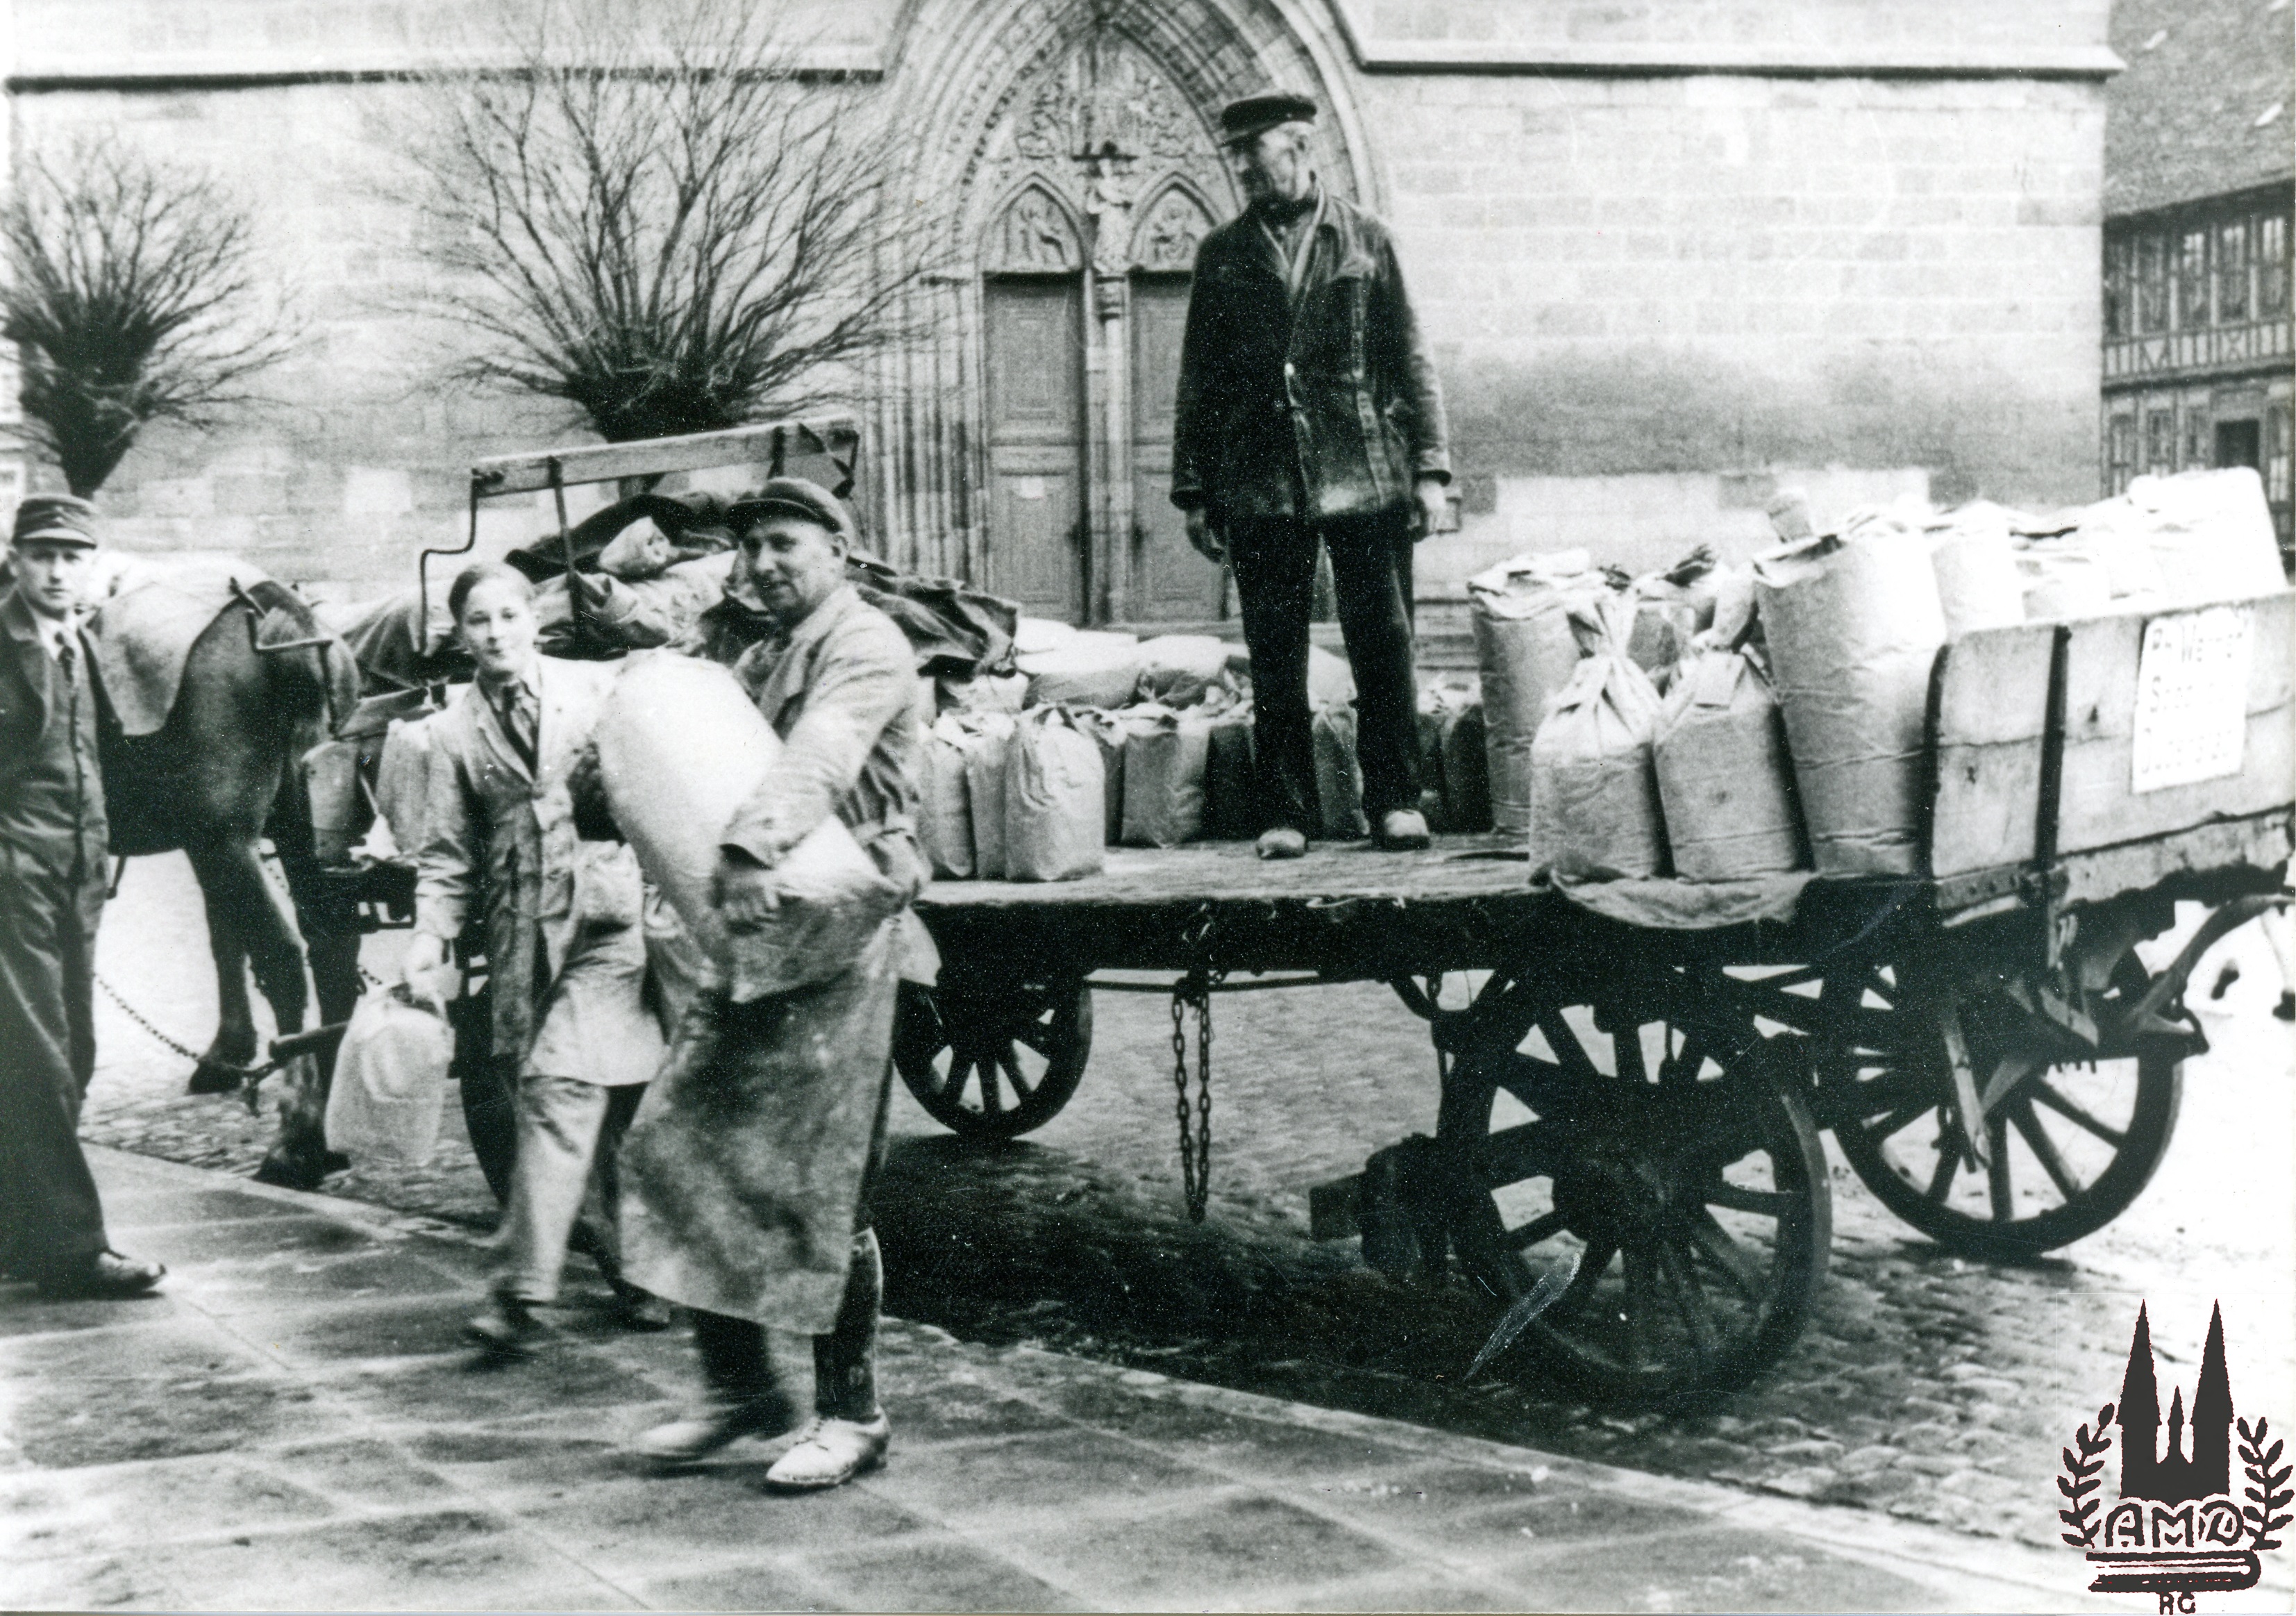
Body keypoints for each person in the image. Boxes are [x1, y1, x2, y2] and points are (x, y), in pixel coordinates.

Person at [619, 477, 931, 1492]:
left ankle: (854, 1412)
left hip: (847, 930)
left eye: (783, 543)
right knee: (680, 1146)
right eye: (749, 547)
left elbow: (822, 752)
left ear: (838, 548)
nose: (760, 563)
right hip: (764, 936)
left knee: (824, 1181)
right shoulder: (759, 650)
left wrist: (752, 844)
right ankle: (743, 1389)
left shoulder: (865, 644)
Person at [1171, 90, 1452, 860]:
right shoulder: (1222, 252)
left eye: (1252, 150)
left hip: (1362, 466)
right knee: (1274, 652)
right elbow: (1201, 377)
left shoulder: (1368, 239)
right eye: (1235, 153)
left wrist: (1431, 470)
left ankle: (1395, 800)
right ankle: (1284, 811)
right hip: (1261, 477)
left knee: (1382, 643)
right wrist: (1195, 490)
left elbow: (1412, 357)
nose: (1240, 166)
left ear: (1297, 146)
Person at [401, 563, 670, 1353]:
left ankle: (518, 1289)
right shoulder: (452, 732)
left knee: (562, 1090)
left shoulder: (594, 690)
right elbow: (447, 852)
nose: (496, 634)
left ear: (535, 620)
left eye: (509, 616)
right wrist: (428, 938)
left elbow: (655, 781)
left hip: (605, 920)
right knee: (588, 1099)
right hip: (520, 933)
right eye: (479, 621)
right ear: (462, 635)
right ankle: (637, 1272)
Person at [0, 494, 165, 1299]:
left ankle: (16, 1231)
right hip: (13, 878)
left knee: (76, 1051)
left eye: (72, 557)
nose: (58, 571)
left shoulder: (83, 643)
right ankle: (71, 1247)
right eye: (43, 556)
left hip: (76, 878)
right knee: (40, 1060)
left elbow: (93, 760)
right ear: (16, 561)